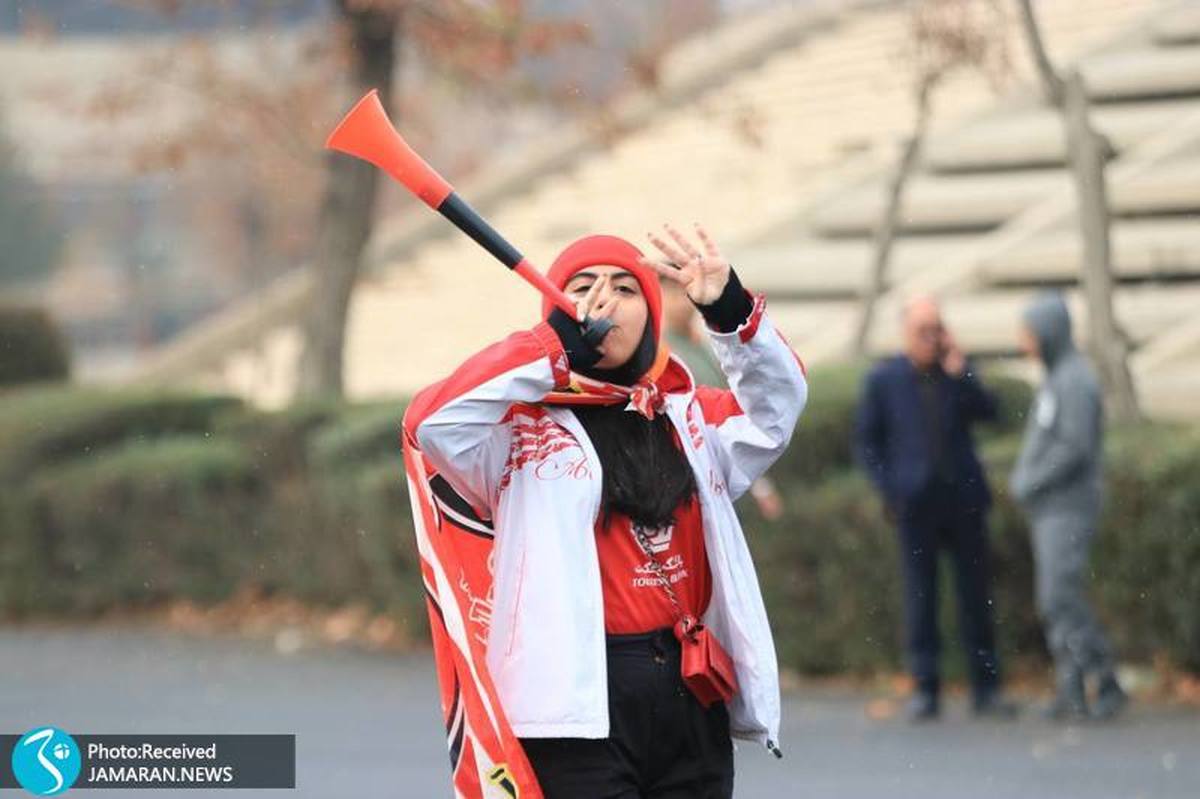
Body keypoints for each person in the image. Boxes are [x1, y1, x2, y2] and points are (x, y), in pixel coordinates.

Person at [403, 225, 807, 797]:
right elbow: (428, 423)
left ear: (652, 311)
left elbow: (777, 409)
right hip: (571, 707)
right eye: (583, 287)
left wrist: (730, 309)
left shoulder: (689, 415)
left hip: (690, 690)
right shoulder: (513, 431)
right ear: (558, 310)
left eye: (625, 288)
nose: (603, 301)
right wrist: (548, 348)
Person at [854, 296, 1015, 721]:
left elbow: (992, 412)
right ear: (906, 332)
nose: (930, 338)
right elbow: (868, 443)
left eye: (936, 328)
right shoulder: (885, 378)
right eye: (922, 330)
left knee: (975, 597)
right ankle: (926, 687)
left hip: (964, 502)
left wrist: (961, 374)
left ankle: (986, 686)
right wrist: (890, 488)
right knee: (921, 598)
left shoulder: (955, 374)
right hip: (916, 505)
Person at [1010, 292, 1127, 721]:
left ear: (1049, 332)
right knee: (1055, 599)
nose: (1025, 342)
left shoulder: (1075, 381)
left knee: (1060, 597)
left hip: (1068, 508)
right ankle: (1071, 688)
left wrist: (1029, 480)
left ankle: (1106, 680)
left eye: (1030, 333)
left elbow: (1074, 448)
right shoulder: (1058, 377)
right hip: (1050, 509)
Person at [661, 276, 784, 521]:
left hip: (729, 470)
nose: (681, 303)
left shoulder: (707, 345)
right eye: (671, 295)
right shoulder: (663, 355)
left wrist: (761, 486)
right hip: (692, 478)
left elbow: (737, 415)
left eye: (684, 293)